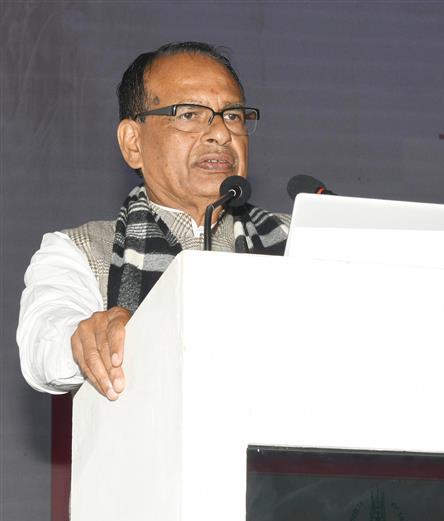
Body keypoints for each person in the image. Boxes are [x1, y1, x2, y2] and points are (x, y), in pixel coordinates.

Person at [18, 42, 288, 401]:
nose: (222, 133)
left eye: (233, 116)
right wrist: (88, 335)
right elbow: (43, 341)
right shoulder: (80, 250)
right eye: (189, 115)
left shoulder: (296, 240)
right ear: (133, 143)